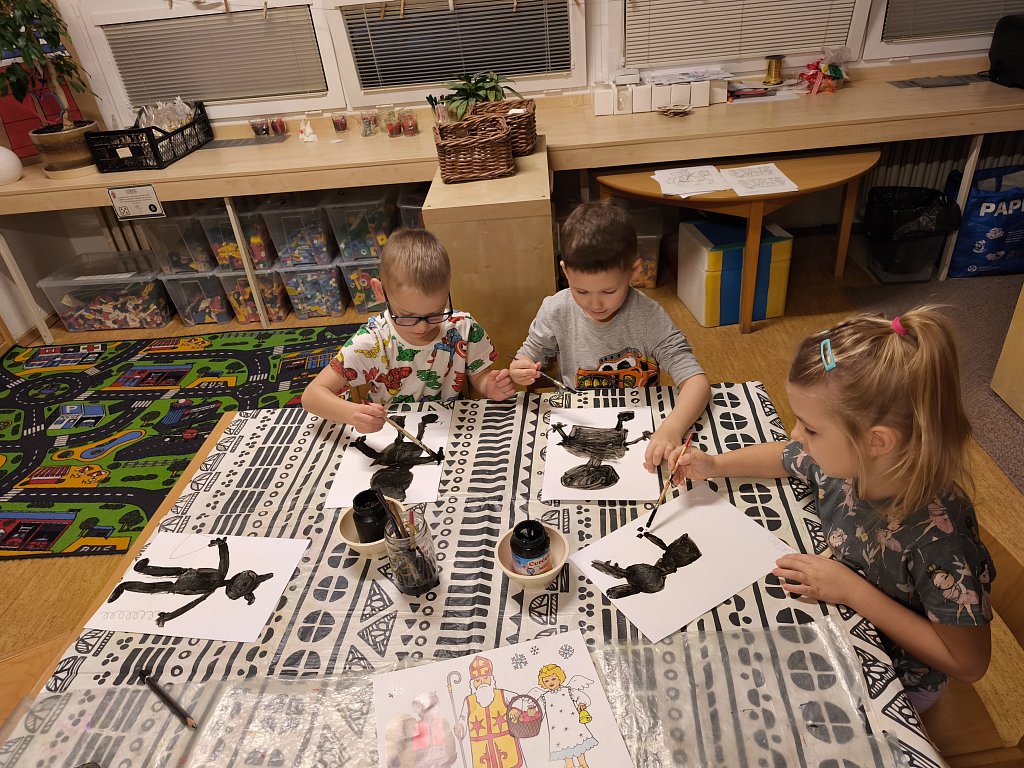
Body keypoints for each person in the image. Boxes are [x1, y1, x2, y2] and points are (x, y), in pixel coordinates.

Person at [667, 307, 994, 713]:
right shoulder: (848, 464)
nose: (795, 434)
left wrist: (851, 590)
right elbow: (786, 456)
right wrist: (716, 465)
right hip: (843, 617)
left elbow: (968, 663)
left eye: (811, 428)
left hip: (898, 677)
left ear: (877, 441)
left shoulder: (937, 540)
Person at [510, 202, 710, 472]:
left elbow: (697, 383)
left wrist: (672, 429)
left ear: (634, 272)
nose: (595, 304)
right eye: (581, 291)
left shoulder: (648, 316)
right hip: (577, 417)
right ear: (565, 271)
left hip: (639, 420)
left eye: (608, 291)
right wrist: (521, 368)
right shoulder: (555, 309)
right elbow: (527, 356)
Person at [302, 229, 516, 431]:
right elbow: (311, 396)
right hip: (390, 431)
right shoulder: (371, 341)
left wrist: (490, 386)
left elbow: (480, 377)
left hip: (448, 428)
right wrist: (353, 414)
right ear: (380, 292)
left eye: (435, 313)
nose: (422, 327)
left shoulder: (462, 327)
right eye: (407, 316)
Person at [453, 656, 524, 768]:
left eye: (485, 678)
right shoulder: (468, 701)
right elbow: (463, 718)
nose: (482, 682)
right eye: (477, 680)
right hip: (481, 748)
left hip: (505, 744)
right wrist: (460, 726)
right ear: (473, 684)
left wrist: (515, 710)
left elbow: (519, 700)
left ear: (491, 679)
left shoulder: (502, 694)